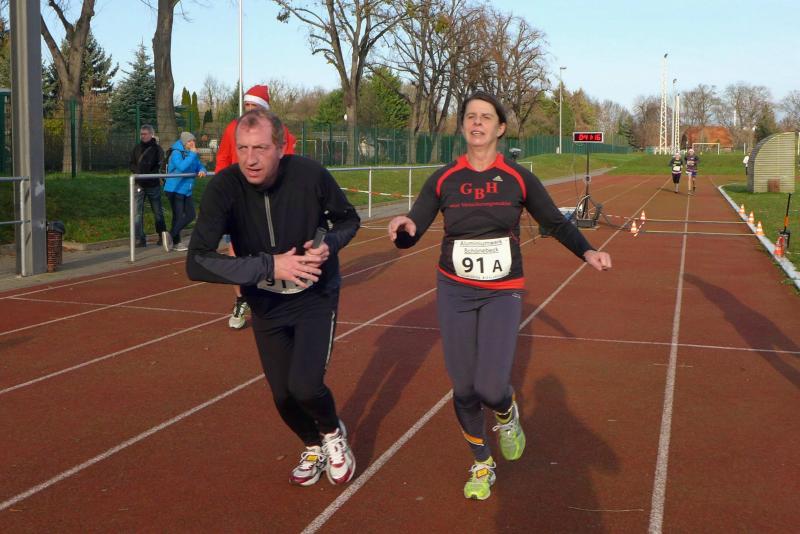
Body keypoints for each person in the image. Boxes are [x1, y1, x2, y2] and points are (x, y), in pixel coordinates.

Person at [387, 91, 612, 501]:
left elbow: (554, 222)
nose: (477, 123)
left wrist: (587, 251)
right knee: (463, 387)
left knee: (491, 388)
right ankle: (481, 462)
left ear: (500, 128)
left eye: (486, 117)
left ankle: (506, 412)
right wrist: (403, 230)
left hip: (502, 290)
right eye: (470, 116)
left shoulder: (518, 178)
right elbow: (415, 225)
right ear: (462, 126)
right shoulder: (443, 178)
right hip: (455, 288)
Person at [186, 109, 360, 487]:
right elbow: (196, 261)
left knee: (305, 386)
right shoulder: (224, 188)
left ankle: (332, 432)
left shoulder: (310, 175)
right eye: (242, 148)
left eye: (261, 148)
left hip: (315, 295)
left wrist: (329, 244)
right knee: (282, 396)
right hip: (266, 303)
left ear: (280, 147)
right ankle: (312, 444)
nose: (250, 159)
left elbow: (348, 219)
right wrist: (269, 266)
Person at [216, 84, 298, 330]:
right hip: (239, 198)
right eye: (247, 105)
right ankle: (241, 299)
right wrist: (223, 188)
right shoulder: (233, 128)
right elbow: (223, 158)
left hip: (269, 200)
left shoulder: (279, 131)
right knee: (236, 251)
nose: (249, 109)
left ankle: (274, 297)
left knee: (271, 249)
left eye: (254, 105)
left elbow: (289, 162)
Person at [162, 132, 207, 252]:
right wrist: (192, 154)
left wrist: (202, 170)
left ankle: (170, 236)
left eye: (193, 141)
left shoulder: (192, 154)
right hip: (174, 189)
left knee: (191, 215)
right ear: (184, 142)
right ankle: (176, 242)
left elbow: (199, 166)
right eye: (189, 141)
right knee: (178, 216)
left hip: (187, 190)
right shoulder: (176, 153)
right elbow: (182, 167)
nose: (192, 143)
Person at [130, 124, 167, 247]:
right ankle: (140, 238)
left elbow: (160, 165)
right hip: (139, 184)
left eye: (145, 134)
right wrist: (137, 172)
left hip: (153, 185)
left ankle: (162, 236)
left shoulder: (157, 149)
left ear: (151, 134)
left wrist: (149, 174)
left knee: (157, 211)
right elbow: (131, 163)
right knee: (137, 213)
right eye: (141, 134)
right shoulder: (136, 148)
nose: (143, 136)